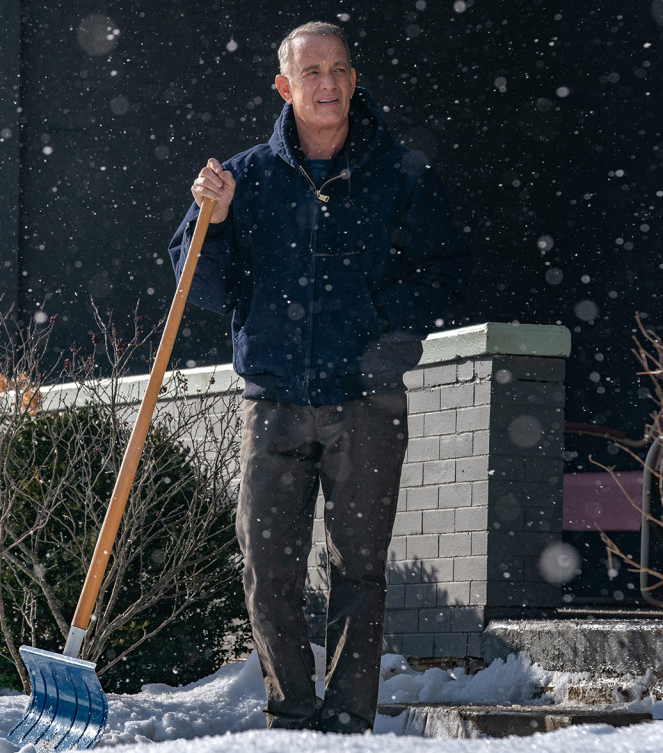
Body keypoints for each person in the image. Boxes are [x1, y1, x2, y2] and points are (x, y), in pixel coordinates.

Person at [168, 21, 471, 734]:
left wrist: (384, 339)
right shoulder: (244, 178)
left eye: (338, 69)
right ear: (285, 87)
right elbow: (198, 286)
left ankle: (348, 721)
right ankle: (292, 713)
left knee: (358, 570)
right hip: (273, 402)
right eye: (311, 72)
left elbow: (444, 272)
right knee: (266, 566)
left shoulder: (401, 173)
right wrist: (214, 221)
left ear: (354, 80)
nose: (327, 83)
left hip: (366, 402)